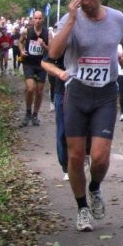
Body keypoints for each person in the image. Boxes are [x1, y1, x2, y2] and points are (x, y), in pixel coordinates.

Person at [49, 0, 123, 232]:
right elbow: (53, 53)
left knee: (99, 157)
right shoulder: (70, 19)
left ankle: (95, 187)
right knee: (75, 157)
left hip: (106, 93)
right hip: (77, 92)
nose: (85, 2)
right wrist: (72, 20)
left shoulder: (117, 18)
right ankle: (81, 208)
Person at [41, 52, 70, 181]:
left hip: (90, 92)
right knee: (63, 132)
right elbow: (46, 62)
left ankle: (84, 157)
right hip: (63, 91)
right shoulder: (65, 38)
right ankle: (67, 167)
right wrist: (59, 73)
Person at [19, 11, 49, 126]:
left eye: (39, 18)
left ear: (43, 20)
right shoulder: (27, 31)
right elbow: (20, 42)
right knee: (30, 88)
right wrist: (22, 51)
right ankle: (28, 113)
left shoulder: (47, 33)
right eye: (35, 18)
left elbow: (51, 51)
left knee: (40, 91)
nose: (37, 20)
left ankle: (35, 115)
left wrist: (43, 45)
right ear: (33, 19)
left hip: (41, 64)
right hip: (29, 63)